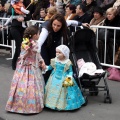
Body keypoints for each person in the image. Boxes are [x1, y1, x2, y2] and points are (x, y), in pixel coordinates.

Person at [38, 13, 89, 82]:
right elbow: (39, 43)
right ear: (51, 23)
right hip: (45, 46)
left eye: (58, 26)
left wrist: (81, 24)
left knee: (56, 62)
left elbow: (71, 22)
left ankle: (56, 82)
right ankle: (46, 85)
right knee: (47, 64)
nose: (55, 27)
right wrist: (39, 58)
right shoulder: (46, 29)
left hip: (54, 45)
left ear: (62, 25)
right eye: (54, 25)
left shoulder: (64, 24)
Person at [5, 26, 45, 114]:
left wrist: (42, 61)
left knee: (31, 86)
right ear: (34, 35)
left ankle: (31, 105)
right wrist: (28, 52)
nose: (39, 35)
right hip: (27, 67)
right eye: (38, 33)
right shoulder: (26, 43)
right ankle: (24, 106)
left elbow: (37, 55)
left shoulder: (35, 43)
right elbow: (22, 57)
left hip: (32, 67)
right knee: (27, 86)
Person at [43, 45, 85, 110]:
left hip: (64, 78)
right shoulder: (54, 60)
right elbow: (51, 67)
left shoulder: (67, 62)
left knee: (66, 91)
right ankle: (50, 103)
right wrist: (45, 67)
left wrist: (69, 77)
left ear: (64, 54)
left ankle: (63, 105)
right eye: (57, 52)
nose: (57, 54)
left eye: (60, 52)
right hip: (54, 78)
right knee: (52, 90)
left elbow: (70, 71)